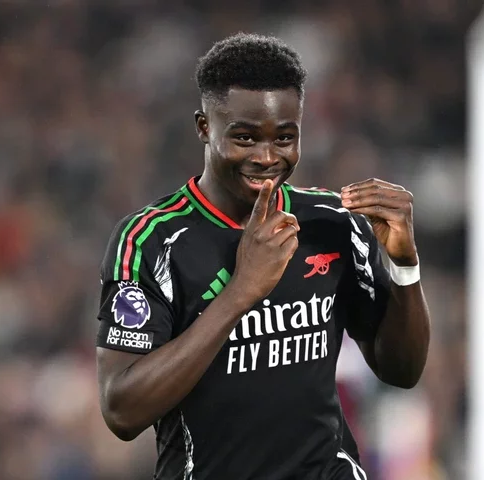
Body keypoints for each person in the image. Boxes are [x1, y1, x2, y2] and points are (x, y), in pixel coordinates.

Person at [95, 32, 431, 480]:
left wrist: (404, 267)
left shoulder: (332, 222)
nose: (267, 156)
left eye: (285, 137)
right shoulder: (151, 241)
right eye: (245, 137)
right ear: (203, 127)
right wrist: (240, 293)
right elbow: (122, 410)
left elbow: (402, 371)